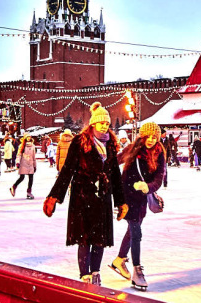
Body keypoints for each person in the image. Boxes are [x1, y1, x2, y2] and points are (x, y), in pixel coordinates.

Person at [43, 102, 128, 285]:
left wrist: (121, 201)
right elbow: (67, 170)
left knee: (100, 240)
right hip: (82, 197)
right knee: (84, 239)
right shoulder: (80, 142)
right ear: (93, 124)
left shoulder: (111, 145)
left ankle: (95, 273)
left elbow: (115, 175)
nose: (105, 125)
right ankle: (85, 275)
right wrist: (54, 196)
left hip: (103, 197)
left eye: (107, 123)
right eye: (101, 123)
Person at [110, 122, 166, 290]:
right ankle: (137, 270)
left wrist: (148, 187)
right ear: (142, 136)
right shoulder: (133, 150)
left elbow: (159, 177)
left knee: (133, 230)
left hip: (142, 197)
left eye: (154, 137)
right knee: (136, 231)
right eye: (147, 136)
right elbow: (114, 162)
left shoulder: (159, 153)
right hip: (127, 196)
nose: (151, 140)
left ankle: (119, 260)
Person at [10, 134, 36, 199]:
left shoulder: (33, 146)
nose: (28, 138)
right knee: (22, 177)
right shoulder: (22, 146)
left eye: (29, 137)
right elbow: (19, 155)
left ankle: (29, 192)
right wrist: (18, 162)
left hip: (30, 163)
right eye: (27, 137)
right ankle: (14, 187)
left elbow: (34, 157)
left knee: (31, 178)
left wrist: (34, 165)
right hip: (23, 163)